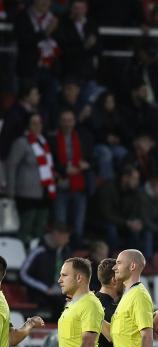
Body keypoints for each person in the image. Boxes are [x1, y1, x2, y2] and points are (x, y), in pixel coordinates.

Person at [5, 113, 56, 243]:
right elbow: (11, 166)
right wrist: (10, 190)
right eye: (34, 123)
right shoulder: (21, 142)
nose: (38, 126)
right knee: (26, 226)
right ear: (28, 125)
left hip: (44, 192)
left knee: (40, 226)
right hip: (26, 193)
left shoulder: (43, 141)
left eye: (40, 123)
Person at [51, 109, 92, 248]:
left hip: (79, 186)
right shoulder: (53, 139)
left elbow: (91, 158)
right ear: (59, 122)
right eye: (64, 120)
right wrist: (64, 169)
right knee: (60, 225)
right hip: (61, 186)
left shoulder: (83, 138)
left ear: (74, 122)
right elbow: (51, 160)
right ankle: (60, 252)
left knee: (78, 226)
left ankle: (75, 253)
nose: (67, 124)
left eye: (70, 120)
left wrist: (86, 164)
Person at [20, 222, 71, 319]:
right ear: (56, 234)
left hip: (59, 291)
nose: (67, 240)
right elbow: (23, 274)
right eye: (65, 237)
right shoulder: (39, 251)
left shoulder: (65, 252)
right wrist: (45, 288)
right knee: (62, 304)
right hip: (39, 293)